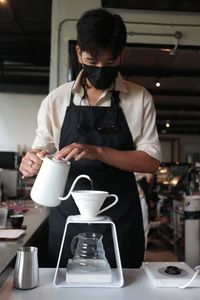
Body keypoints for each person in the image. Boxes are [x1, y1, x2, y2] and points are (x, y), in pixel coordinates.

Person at [19, 8, 161, 268]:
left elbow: (150, 162)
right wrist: (32, 162)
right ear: (78, 53)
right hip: (68, 219)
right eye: (92, 62)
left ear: (122, 55)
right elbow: (41, 152)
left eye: (109, 64)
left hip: (120, 220)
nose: (100, 71)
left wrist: (97, 151)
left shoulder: (139, 98)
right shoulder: (57, 100)